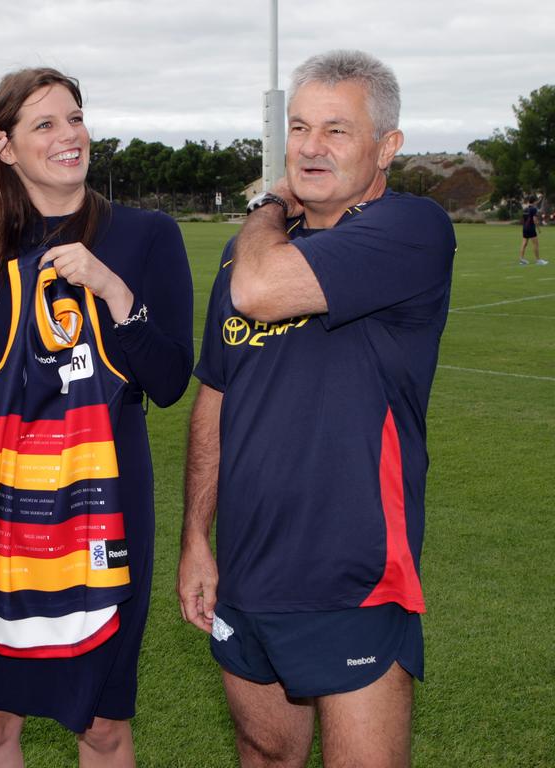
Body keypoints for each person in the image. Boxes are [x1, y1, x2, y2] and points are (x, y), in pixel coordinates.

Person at [0, 68, 193, 766]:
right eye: (45, 124)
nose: (70, 136)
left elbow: (171, 379)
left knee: (100, 723)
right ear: (5, 146)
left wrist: (114, 291)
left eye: (76, 117)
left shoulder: (146, 234)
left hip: (104, 494)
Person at [177, 50, 456, 768]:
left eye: (336, 130)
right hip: (247, 571)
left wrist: (268, 202)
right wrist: (196, 539)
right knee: (264, 753)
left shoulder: (412, 229)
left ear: (386, 147)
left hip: (353, 577)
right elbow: (216, 394)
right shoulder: (250, 255)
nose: (309, 147)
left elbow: (263, 291)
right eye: (299, 127)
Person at [519, 196, 547, 265]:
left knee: (524, 244)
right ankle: (538, 260)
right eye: (536, 201)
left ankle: (521, 259)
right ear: (534, 201)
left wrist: (539, 199)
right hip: (531, 228)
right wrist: (539, 229)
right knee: (536, 244)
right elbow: (535, 220)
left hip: (525, 228)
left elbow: (524, 219)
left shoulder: (525, 209)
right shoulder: (534, 209)